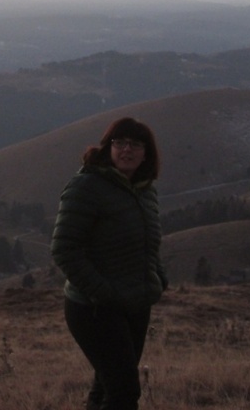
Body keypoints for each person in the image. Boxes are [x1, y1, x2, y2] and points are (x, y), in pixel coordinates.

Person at [51, 117, 168, 410]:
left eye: (135, 144)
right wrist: (103, 293)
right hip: (94, 308)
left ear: (146, 153)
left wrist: (156, 276)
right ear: (108, 147)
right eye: (120, 142)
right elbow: (65, 249)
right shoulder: (87, 186)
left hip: (135, 304)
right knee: (124, 392)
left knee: (106, 388)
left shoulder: (145, 190)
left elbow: (146, 243)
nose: (127, 149)